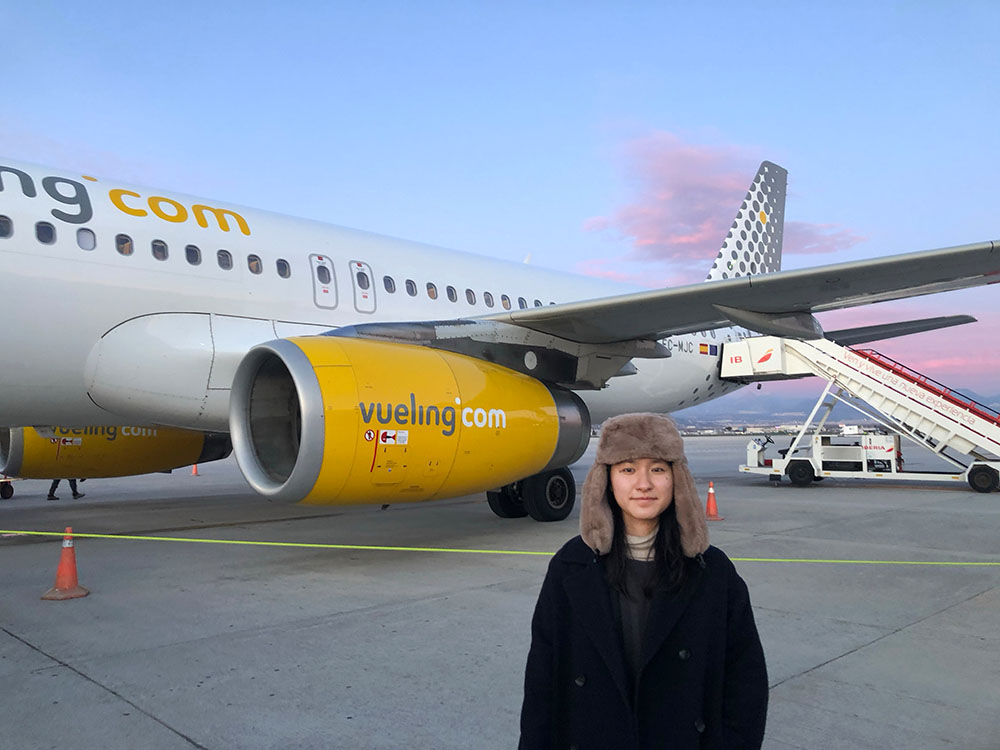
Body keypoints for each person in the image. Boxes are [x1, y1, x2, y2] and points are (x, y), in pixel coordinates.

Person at [519, 413, 768, 750]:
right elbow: (542, 679)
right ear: (606, 479)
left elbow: (746, 678)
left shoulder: (713, 571)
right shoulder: (571, 566)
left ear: (676, 477)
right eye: (628, 469)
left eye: (658, 468)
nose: (644, 484)